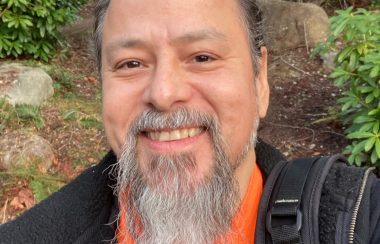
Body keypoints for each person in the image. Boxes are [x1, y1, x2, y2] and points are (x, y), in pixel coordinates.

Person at [1, 0, 380, 243]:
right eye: (131, 63)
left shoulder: (359, 217)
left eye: (202, 57)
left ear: (259, 79)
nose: (163, 94)